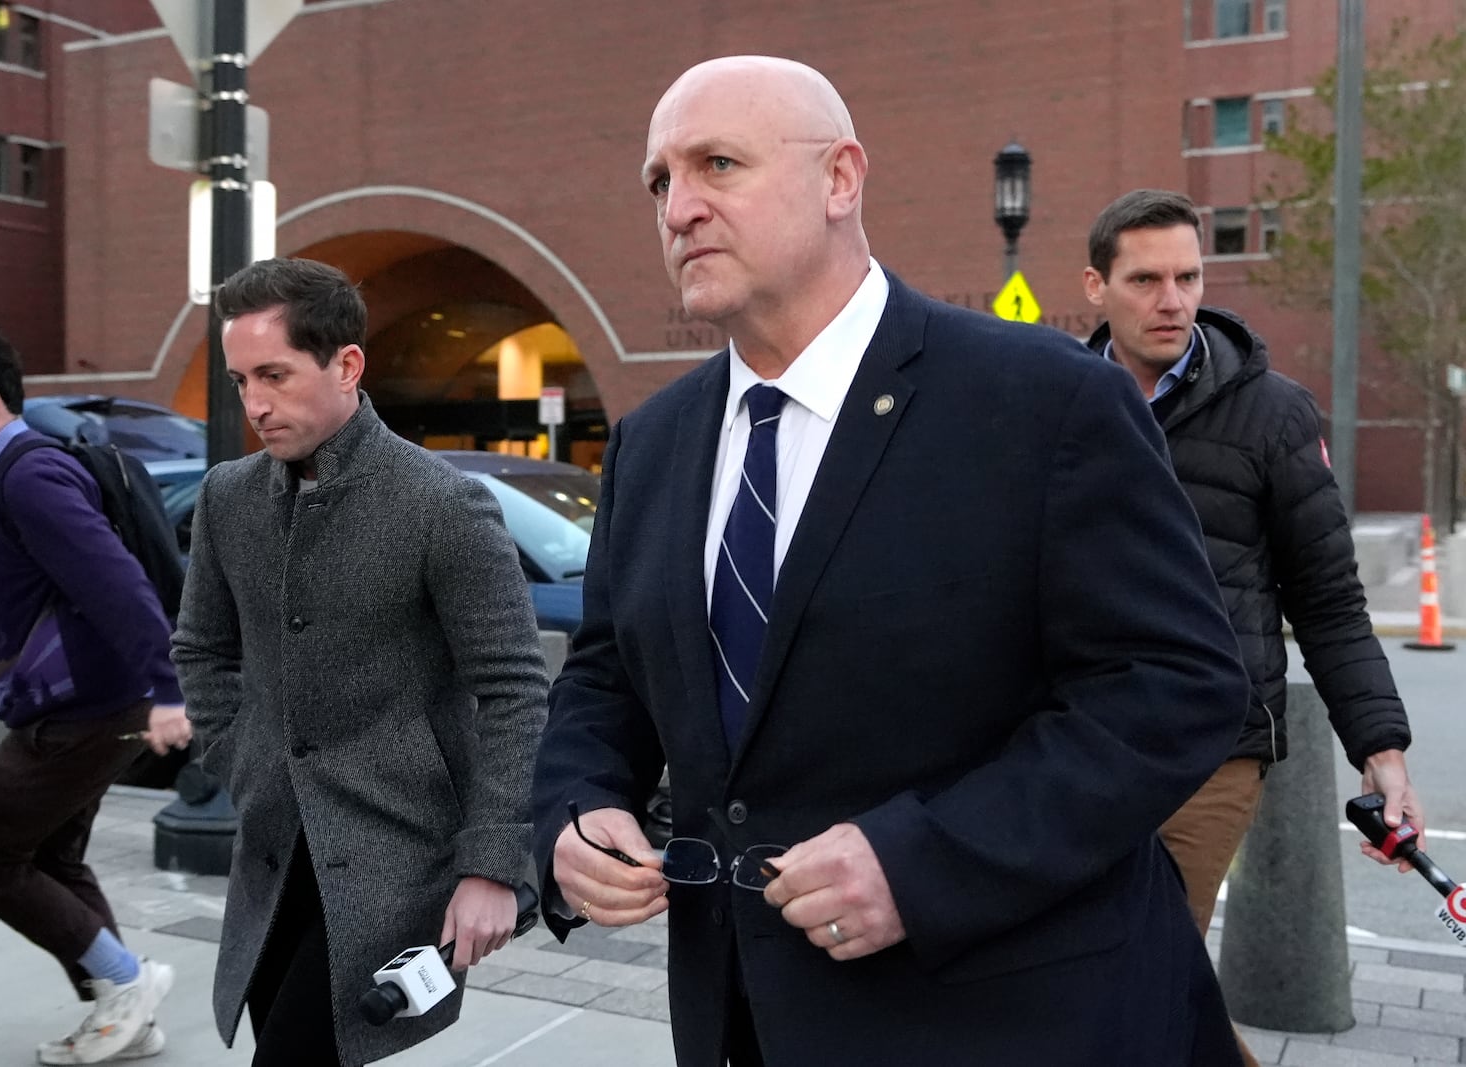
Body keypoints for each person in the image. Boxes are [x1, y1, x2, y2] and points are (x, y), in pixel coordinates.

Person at [531, 56, 1252, 1067]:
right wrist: (575, 806)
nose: (679, 206)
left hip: (1014, 1020)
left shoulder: (1043, 401)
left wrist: (925, 861)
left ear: (840, 179)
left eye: (717, 165)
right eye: (659, 180)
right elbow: (608, 671)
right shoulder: (652, 441)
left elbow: (1174, 688)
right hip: (742, 1019)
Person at [170, 257, 549, 1067]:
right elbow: (201, 647)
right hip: (272, 850)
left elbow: (514, 690)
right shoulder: (228, 497)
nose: (255, 404)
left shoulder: (441, 503)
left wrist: (492, 864)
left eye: (274, 374)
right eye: (241, 381)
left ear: (346, 364)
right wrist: (237, 756)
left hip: (396, 857)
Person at [1082, 188, 1422, 1066]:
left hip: (1214, 745)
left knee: (1136, 968)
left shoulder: (1272, 413)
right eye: (1147, 278)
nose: (1172, 299)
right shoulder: (1059, 403)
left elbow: (1330, 599)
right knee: (1118, 977)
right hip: (1074, 739)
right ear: (1096, 286)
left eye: (1188, 276)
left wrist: (1381, 750)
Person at [0, 327, 191, 1065]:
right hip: (87, 703)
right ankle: (128, 1013)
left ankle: (127, 982)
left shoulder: (28, 477)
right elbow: (24, 609)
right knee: (53, 857)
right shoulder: (6, 477)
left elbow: (119, 586)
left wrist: (169, 689)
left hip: (75, 710)